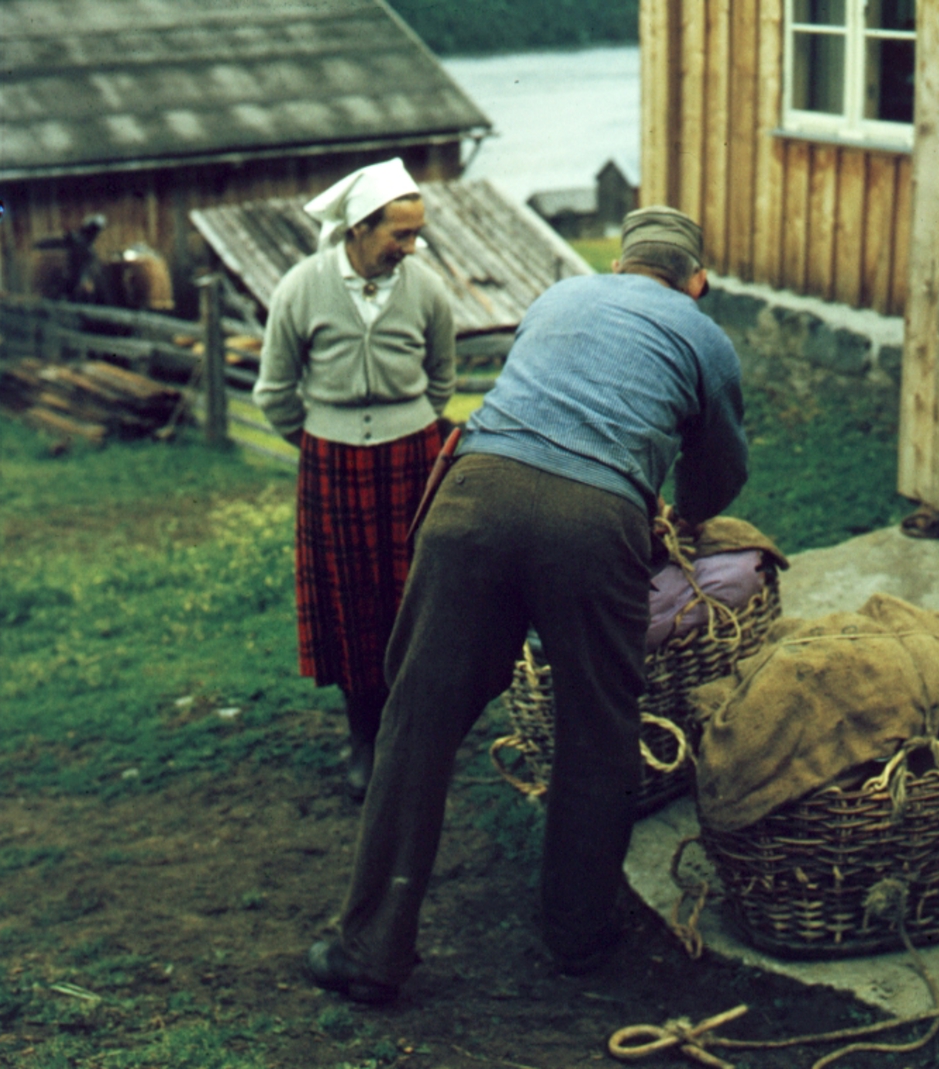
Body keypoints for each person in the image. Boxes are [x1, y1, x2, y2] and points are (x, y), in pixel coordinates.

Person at [306, 204, 748, 1003]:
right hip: (595, 520)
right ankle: (577, 935)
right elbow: (718, 473)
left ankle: (369, 947)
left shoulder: (558, 296)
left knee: (419, 714)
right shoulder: (703, 336)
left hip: (473, 493)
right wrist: (684, 510)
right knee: (598, 724)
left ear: (619, 265)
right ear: (697, 281)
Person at [253, 156, 455, 801]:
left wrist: (413, 423)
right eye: (400, 234)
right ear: (360, 229)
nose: (411, 246)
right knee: (351, 601)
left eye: (416, 233)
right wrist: (320, 444)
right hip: (333, 462)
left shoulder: (426, 289)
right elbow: (275, 391)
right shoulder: (302, 287)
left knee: (412, 595)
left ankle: (411, 734)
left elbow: (443, 375)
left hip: (410, 458)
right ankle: (363, 737)